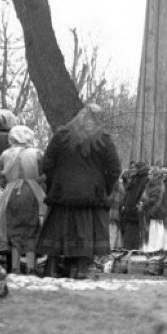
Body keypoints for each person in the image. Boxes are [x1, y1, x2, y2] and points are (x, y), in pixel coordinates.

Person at [36, 104, 121, 279]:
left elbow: (47, 164)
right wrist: (104, 187)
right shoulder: (104, 139)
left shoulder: (61, 135)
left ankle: (51, 267)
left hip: (62, 194)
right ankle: (81, 268)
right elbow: (114, 169)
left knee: (57, 228)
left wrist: (55, 184)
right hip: (91, 196)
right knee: (85, 231)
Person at [0, 125, 46, 275]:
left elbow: (0, 176)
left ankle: (15, 266)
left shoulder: (5, 155)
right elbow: (44, 173)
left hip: (10, 193)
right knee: (32, 228)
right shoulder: (37, 154)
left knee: (13, 228)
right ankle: (31, 267)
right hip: (33, 192)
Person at [119, 162, 149, 250]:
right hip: (128, 213)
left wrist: (136, 207)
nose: (133, 170)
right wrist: (124, 206)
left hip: (136, 214)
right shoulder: (133, 179)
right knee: (127, 242)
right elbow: (127, 194)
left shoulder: (144, 180)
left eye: (135, 168)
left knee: (135, 243)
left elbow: (143, 197)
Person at [142, 166, 167, 251]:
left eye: (151, 174)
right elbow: (144, 197)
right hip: (147, 214)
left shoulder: (160, 185)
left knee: (155, 239)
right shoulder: (147, 185)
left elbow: (157, 200)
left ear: (155, 175)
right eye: (148, 174)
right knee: (148, 239)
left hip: (157, 215)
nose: (149, 176)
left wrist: (146, 200)